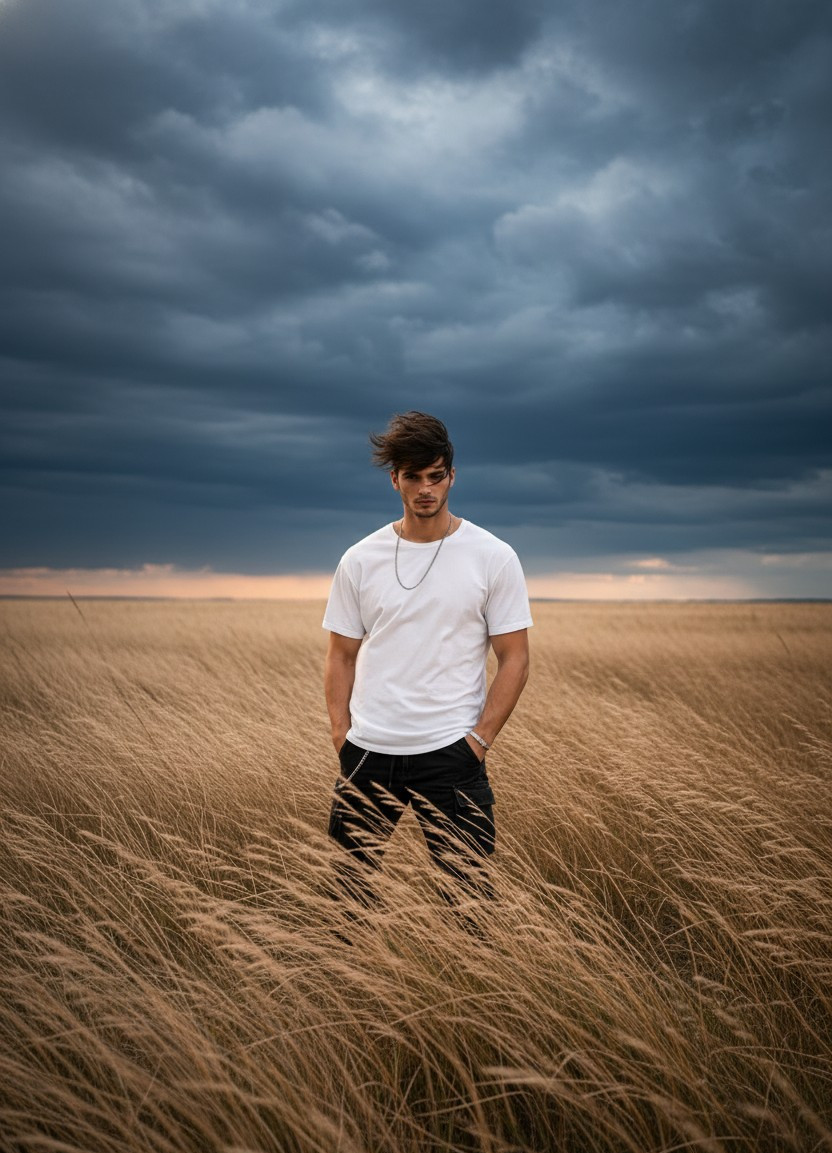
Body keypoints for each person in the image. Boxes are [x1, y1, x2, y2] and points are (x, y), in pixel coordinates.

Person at [322, 411, 532, 913]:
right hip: (369, 752)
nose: (425, 489)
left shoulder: (492, 556)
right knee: (347, 899)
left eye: (435, 475)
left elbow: (516, 658)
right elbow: (340, 654)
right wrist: (341, 735)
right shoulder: (360, 559)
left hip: (451, 755)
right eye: (412, 476)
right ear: (394, 478)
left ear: (451, 476)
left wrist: (477, 742)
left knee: (469, 904)